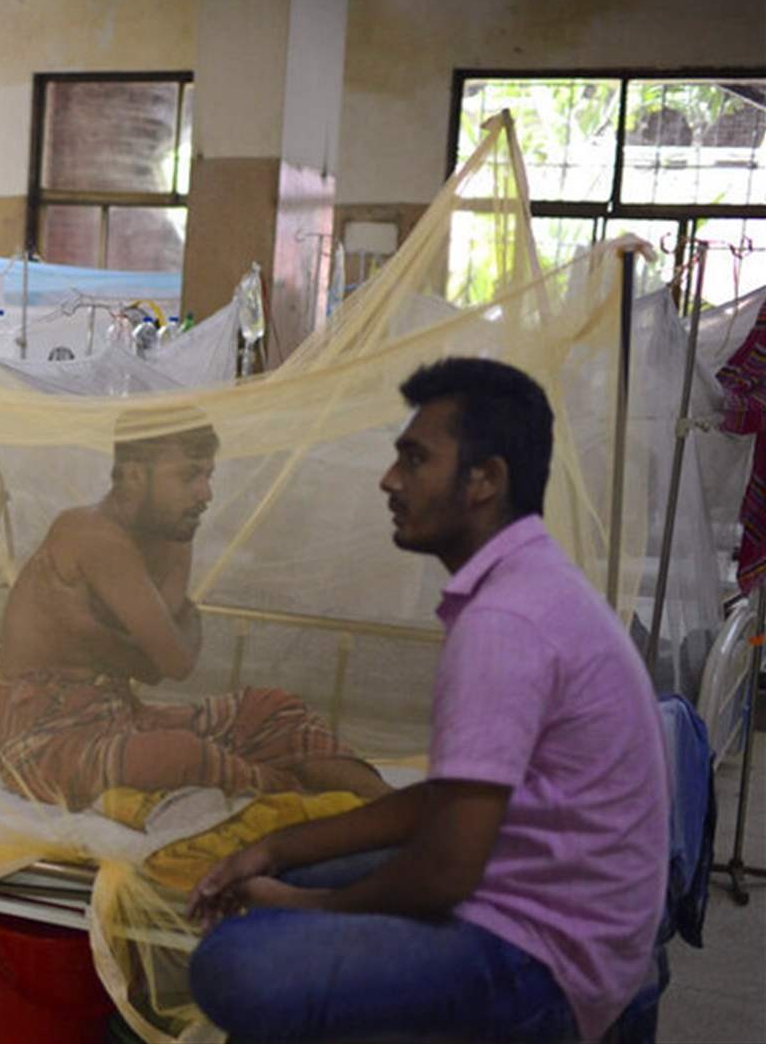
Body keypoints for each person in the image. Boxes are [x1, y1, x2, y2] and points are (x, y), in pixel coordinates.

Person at [186, 358, 667, 1043]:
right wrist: (273, 848)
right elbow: (450, 797)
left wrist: (303, 907)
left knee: (234, 963)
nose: (389, 480)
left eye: (414, 460)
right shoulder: (529, 582)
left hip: (549, 955)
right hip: (565, 910)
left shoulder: (505, 622)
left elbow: (444, 872)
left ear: (485, 480)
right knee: (295, 882)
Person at [0, 424, 386, 809]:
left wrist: (93, 634)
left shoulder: (173, 534)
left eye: (208, 475)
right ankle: (314, 800)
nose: (206, 493)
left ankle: (387, 800)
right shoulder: (87, 532)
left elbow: (163, 666)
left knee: (270, 708)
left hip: (121, 717)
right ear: (134, 475)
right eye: (189, 476)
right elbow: (175, 657)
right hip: (46, 744)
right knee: (178, 755)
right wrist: (172, 631)